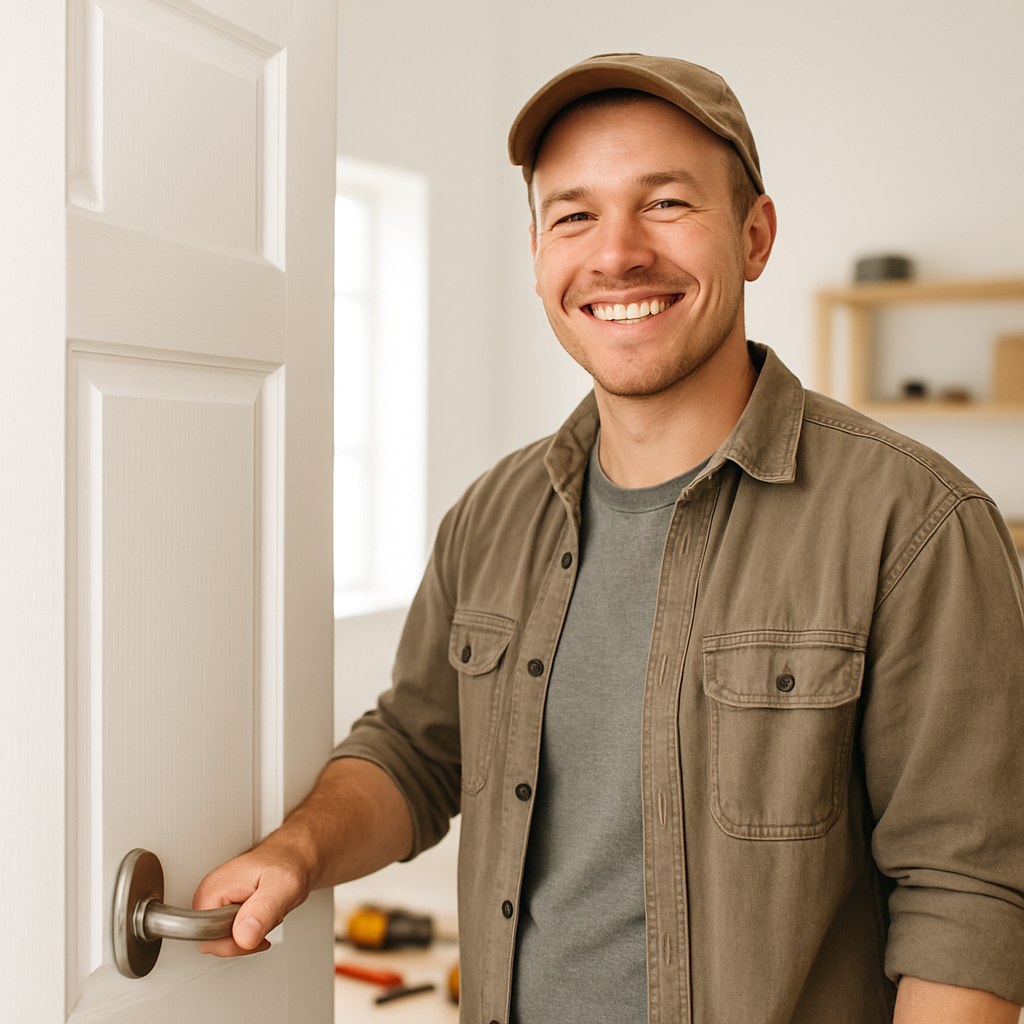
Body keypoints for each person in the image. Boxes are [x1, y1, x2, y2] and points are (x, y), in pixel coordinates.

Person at [195, 53, 1024, 1023]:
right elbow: (416, 753)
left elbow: (963, 904)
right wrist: (299, 848)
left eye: (666, 203)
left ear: (754, 235)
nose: (617, 253)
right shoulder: (491, 516)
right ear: (539, 255)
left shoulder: (915, 527)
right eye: (574, 214)